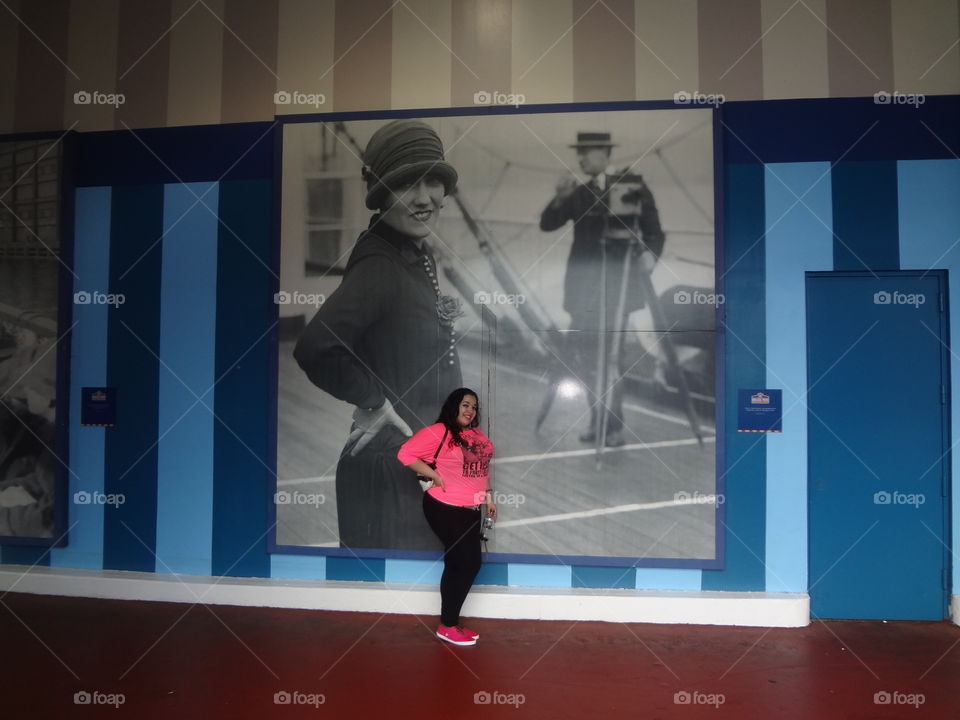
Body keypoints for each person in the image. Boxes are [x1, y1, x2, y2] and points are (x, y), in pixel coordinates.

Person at [293, 119, 464, 550]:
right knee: (389, 605)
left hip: (419, 467)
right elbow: (316, 346)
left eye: (432, 182)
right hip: (388, 476)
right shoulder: (381, 264)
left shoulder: (409, 252)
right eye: (407, 185)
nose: (424, 198)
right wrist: (373, 403)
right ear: (382, 195)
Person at [539, 131, 665, 447]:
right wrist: (559, 195)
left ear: (605, 154)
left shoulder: (632, 186)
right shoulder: (578, 193)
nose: (580, 158)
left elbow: (655, 232)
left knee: (610, 358)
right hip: (582, 292)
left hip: (617, 288)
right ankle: (604, 421)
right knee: (586, 356)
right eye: (579, 152)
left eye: (587, 152)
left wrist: (649, 258)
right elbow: (548, 223)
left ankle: (608, 426)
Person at [397, 388, 496, 646]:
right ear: (454, 406)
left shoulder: (475, 434)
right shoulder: (439, 431)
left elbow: (481, 469)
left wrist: (489, 497)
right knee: (469, 563)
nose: (470, 410)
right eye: (465, 404)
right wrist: (433, 475)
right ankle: (449, 625)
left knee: (456, 564)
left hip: (472, 509)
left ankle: (449, 624)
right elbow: (405, 454)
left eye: (474, 407)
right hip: (445, 508)